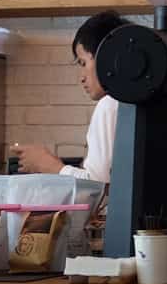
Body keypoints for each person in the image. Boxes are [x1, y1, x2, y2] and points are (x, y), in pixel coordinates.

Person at [10, 11, 124, 183]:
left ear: (106, 58)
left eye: (83, 63)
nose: (82, 77)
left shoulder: (110, 105)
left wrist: (49, 165)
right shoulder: (139, 101)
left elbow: (97, 186)